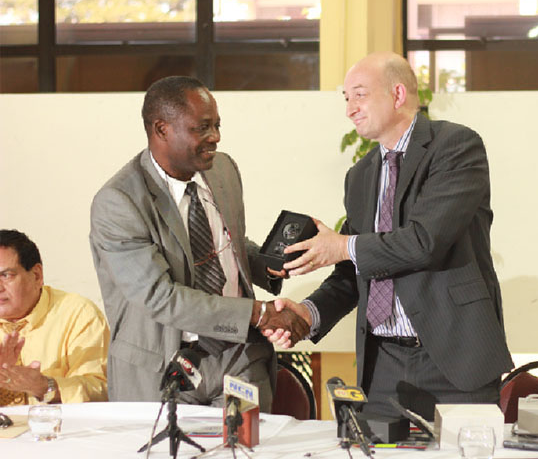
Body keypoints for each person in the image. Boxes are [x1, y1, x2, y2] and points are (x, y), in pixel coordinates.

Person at [266, 52, 513, 420]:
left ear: (397, 94)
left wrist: (341, 245)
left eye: (360, 95)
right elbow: (355, 270)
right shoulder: (360, 175)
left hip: (454, 359)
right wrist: (308, 313)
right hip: (382, 365)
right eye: (346, 99)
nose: (350, 109)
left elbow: (424, 242)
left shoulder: (456, 147)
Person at [89, 76, 308, 409]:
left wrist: (270, 264)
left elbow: (226, 245)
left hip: (239, 359)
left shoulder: (222, 170)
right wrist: (258, 313)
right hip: (163, 369)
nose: (215, 138)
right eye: (202, 128)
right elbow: (160, 298)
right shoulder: (119, 201)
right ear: (161, 129)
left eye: (217, 126)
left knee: (246, 449)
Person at [0, 229, 109, 406]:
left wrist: (45, 386)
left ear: (37, 275)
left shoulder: (78, 313)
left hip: (60, 431)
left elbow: (101, 389)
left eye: (6, 275)